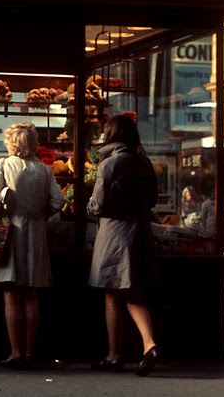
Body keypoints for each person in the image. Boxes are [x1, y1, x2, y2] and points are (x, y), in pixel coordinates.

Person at [0, 122, 65, 370]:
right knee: (31, 293)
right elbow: (58, 200)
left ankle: (15, 352)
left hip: (11, 231)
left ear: (12, 142)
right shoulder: (45, 170)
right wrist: (40, 214)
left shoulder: (4, 165)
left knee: (11, 293)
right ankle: (29, 351)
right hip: (36, 232)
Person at [87, 114, 161, 376]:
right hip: (140, 231)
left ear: (111, 135)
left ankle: (121, 352)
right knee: (131, 291)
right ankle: (137, 347)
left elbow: (97, 204)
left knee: (113, 293)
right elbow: (152, 198)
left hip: (114, 233)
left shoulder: (108, 165)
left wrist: (88, 207)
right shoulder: (144, 162)